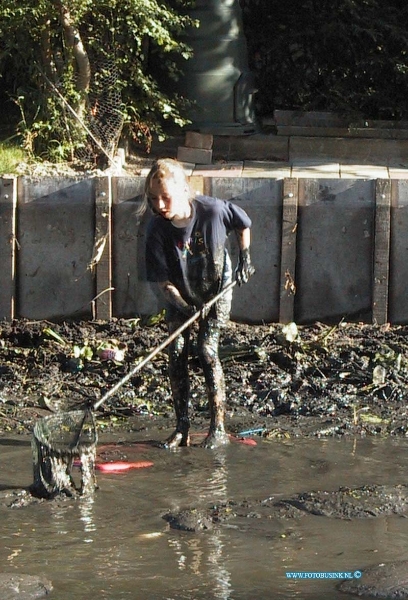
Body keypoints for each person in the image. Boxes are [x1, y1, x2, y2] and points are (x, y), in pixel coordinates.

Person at [142, 158, 255, 449]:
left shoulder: (213, 211)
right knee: (177, 351)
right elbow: (162, 282)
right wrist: (184, 306)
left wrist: (245, 258)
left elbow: (243, 223)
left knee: (206, 349)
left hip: (216, 287)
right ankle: (182, 427)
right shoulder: (156, 230)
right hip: (180, 293)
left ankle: (217, 427)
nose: (160, 205)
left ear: (183, 191)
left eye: (165, 197)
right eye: (153, 199)